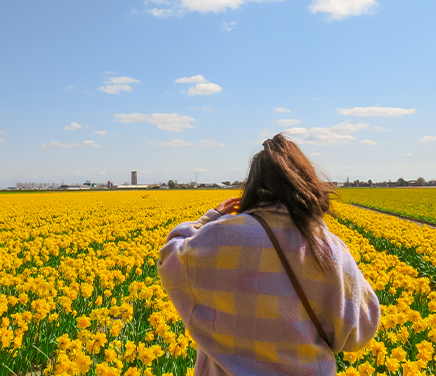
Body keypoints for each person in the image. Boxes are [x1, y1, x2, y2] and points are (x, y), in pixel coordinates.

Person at [158, 133, 380, 376]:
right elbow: (361, 328)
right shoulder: (329, 250)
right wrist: (316, 223)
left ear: (251, 187)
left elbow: (169, 258)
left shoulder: (220, 236)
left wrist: (209, 218)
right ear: (305, 183)